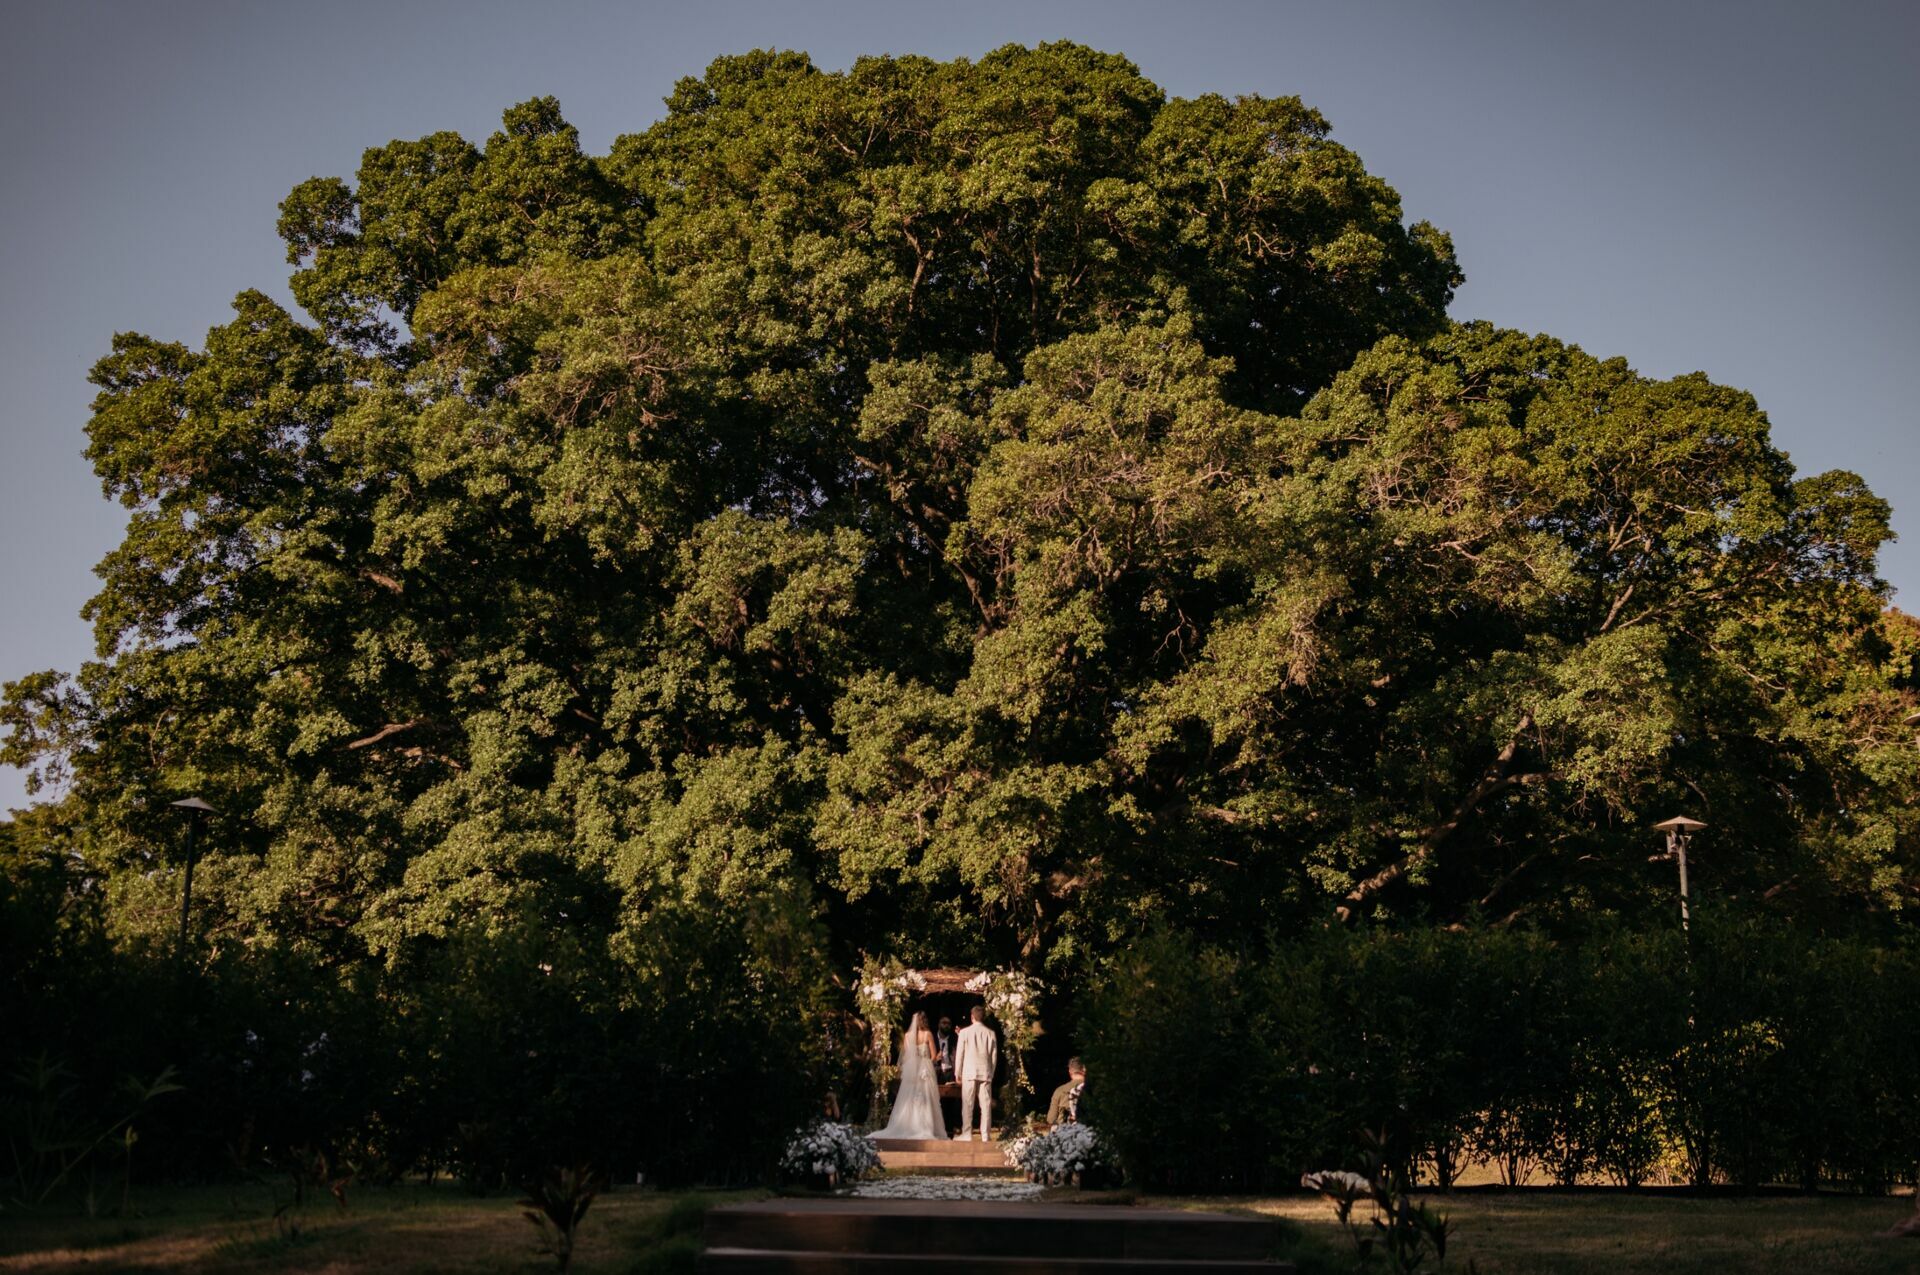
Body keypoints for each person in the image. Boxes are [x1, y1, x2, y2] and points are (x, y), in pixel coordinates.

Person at [872, 1011, 945, 1141]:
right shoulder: (928, 1034)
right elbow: (934, 1056)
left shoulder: (907, 1036)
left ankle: (909, 1125)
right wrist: (931, 1059)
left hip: (912, 1070)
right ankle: (925, 1126)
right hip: (925, 1069)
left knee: (909, 1097)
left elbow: (907, 1056)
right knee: (927, 1097)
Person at [953, 1005, 999, 1142]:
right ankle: (985, 1135)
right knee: (985, 1105)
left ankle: (967, 1133)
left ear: (972, 1016)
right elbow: (994, 1056)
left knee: (967, 1104)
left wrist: (957, 1072)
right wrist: (991, 1072)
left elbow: (959, 1054)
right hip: (985, 1072)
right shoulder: (990, 1033)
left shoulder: (964, 1032)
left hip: (969, 1072)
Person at [1047, 1057, 1086, 1126]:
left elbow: (1051, 1119)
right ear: (1084, 1070)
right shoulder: (1096, 1088)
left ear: (1070, 1071)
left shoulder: (1060, 1091)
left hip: (1066, 1129)